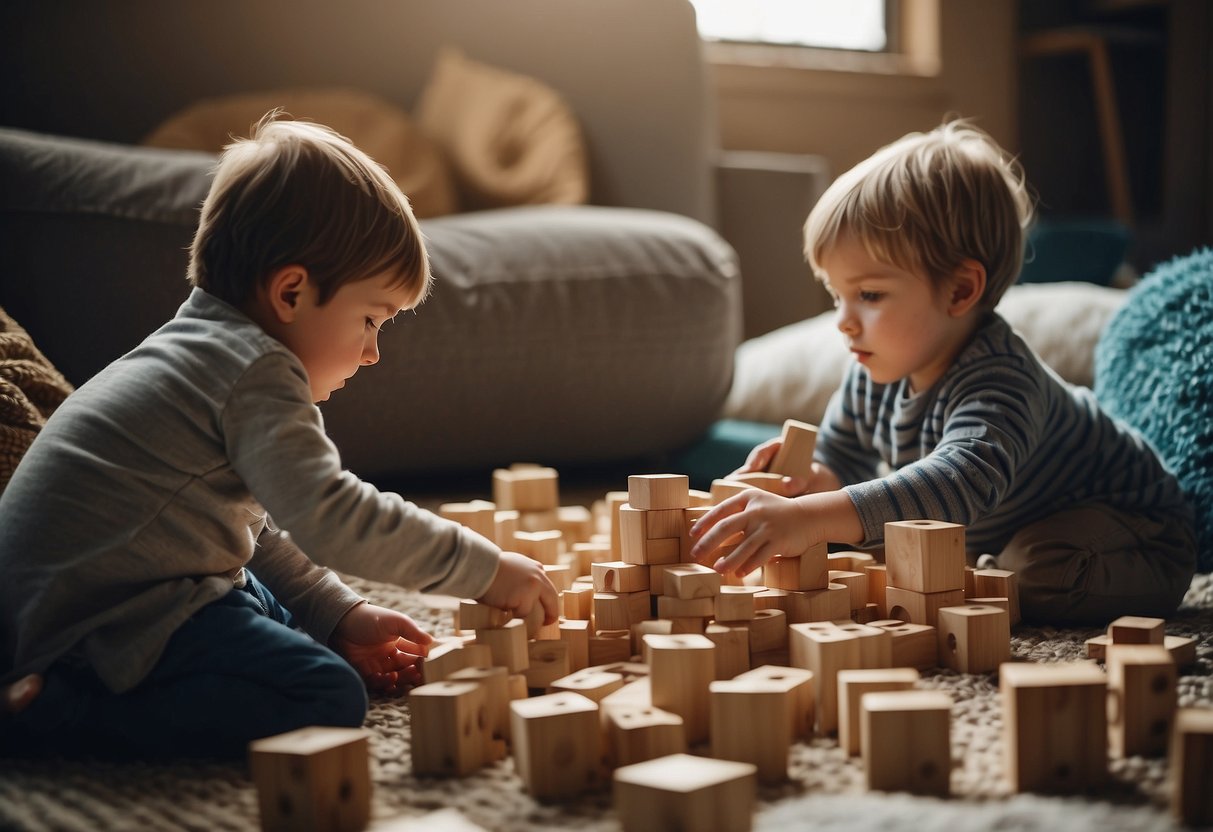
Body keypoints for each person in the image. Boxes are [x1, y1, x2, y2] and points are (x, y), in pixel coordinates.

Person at [0, 115, 558, 759]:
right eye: (371, 320)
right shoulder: (252, 369)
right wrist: (484, 570)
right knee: (325, 696)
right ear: (291, 291)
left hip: (123, 593)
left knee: (291, 621)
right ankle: (59, 715)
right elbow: (333, 517)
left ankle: (120, 683)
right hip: (94, 633)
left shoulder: (203, 351)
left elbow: (249, 532)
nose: (373, 352)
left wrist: (341, 614)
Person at [689, 121, 1196, 626]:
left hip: (1134, 533)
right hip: (1016, 527)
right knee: (927, 549)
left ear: (958, 292)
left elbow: (959, 484)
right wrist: (803, 484)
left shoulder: (1001, 378)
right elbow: (843, 462)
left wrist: (810, 518)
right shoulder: (870, 369)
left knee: (1030, 571)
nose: (843, 320)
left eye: (868, 295)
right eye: (835, 294)